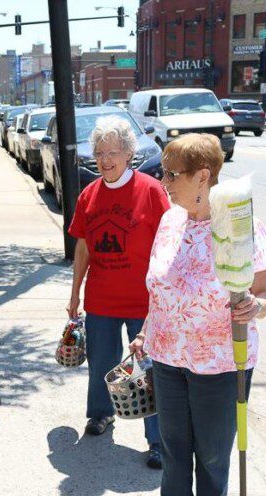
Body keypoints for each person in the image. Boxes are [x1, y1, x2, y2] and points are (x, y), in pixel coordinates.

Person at [132, 134, 266, 496]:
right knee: (174, 445)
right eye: (162, 172)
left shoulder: (240, 226)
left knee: (212, 450)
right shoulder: (170, 221)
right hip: (167, 355)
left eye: (171, 173)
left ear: (203, 176)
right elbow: (160, 291)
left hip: (220, 360)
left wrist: (255, 307)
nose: (163, 181)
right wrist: (145, 331)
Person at [67, 116, 170, 468]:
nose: (106, 159)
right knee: (100, 363)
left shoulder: (152, 191)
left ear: (128, 153)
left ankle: (157, 441)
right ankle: (100, 414)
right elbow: (83, 247)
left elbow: (168, 245)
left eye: (113, 152)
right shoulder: (88, 195)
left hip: (144, 302)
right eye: (99, 153)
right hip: (102, 300)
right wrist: (74, 294)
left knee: (148, 372)